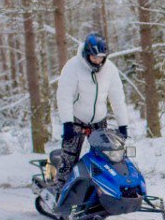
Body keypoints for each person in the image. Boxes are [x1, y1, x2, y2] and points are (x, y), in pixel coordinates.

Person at [52, 32, 130, 186]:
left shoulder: (110, 70)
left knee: (106, 156)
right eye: (94, 57)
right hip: (76, 119)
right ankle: (60, 189)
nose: (98, 61)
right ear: (87, 54)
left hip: (99, 120)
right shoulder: (73, 67)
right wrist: (67, 123)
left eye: (101, 57)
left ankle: (100, 189)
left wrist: (123, 124)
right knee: (69, 156)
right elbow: (64, 96)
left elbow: (117, 99)